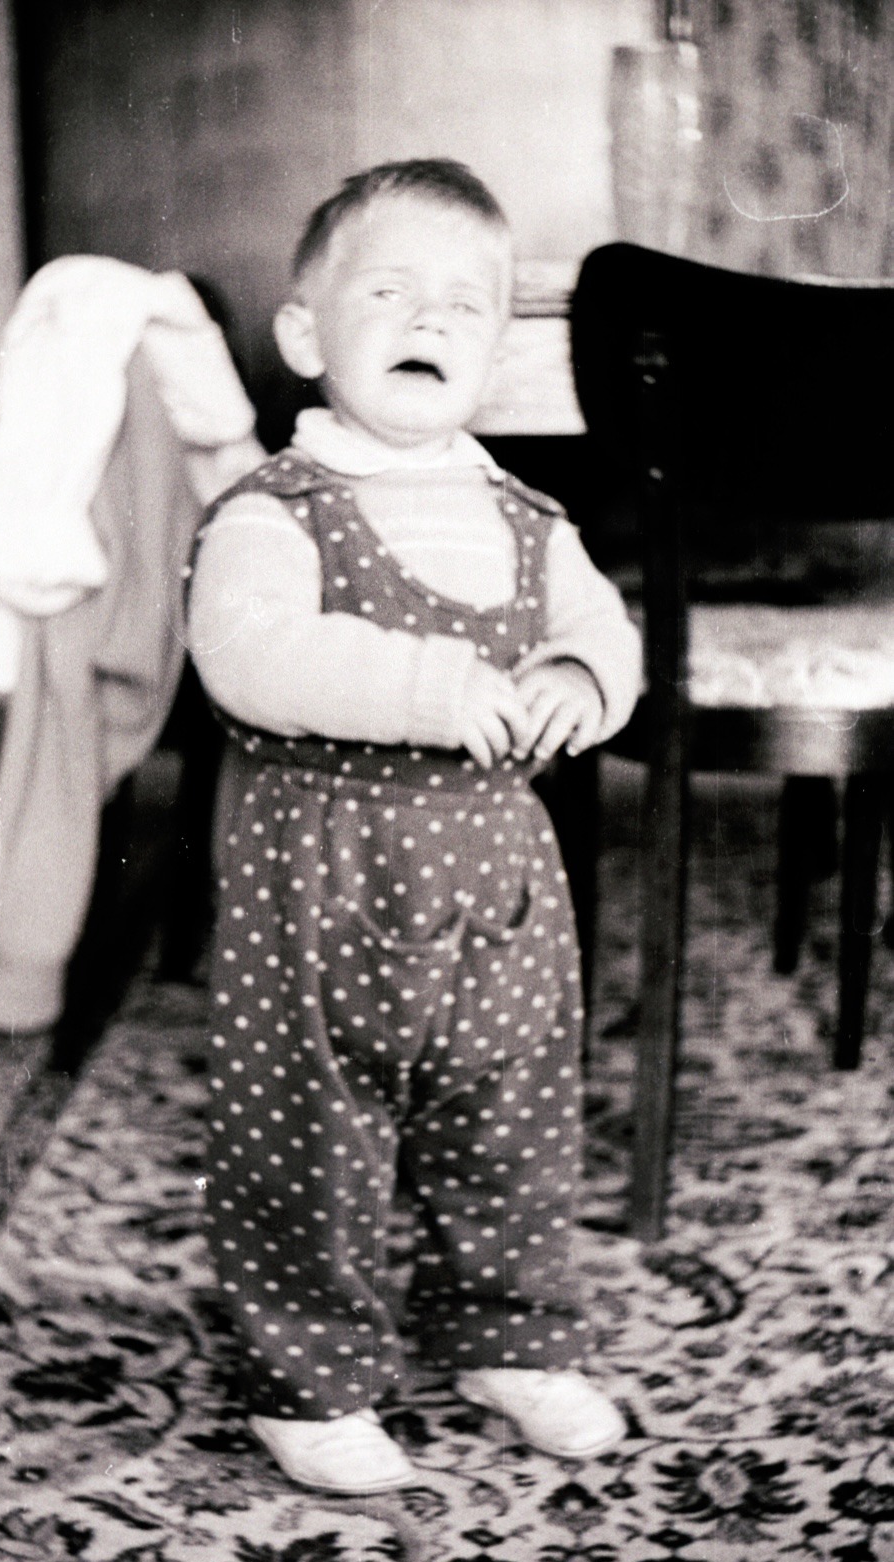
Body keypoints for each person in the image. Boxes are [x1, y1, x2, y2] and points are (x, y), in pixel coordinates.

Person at [186, 159, 642, 1494]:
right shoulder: (277, 512)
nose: (432, 320)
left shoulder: (526, 518)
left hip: (497, 888)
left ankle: (508, 1333)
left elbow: (599, 627)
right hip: (321, 887)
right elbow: (249, 654)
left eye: (468, 303)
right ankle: (308, 1374)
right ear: (308, 333)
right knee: (308, 1139)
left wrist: (577, 679)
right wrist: (437, 689)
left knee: (513, 1124)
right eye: (390, 291)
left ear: (499, 351)